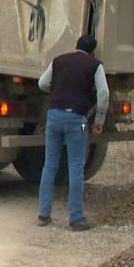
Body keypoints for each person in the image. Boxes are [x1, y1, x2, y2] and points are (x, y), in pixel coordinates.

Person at [36, 33, 109, 231]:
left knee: (50, 164)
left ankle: (43, 214)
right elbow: (103, 93)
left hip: (53, 117)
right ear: (92, 51)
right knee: (76, 166)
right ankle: (76, 219)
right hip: (78, 120)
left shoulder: (59, 60)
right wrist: (99, 120)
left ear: (75, 45)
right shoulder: (95, 65)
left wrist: (58, 91)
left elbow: (42, 83)